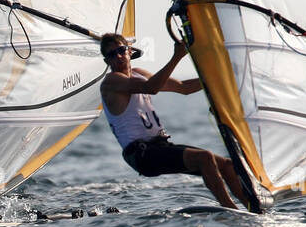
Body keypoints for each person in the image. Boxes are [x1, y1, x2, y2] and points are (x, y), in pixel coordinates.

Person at [99, 34, 251, 209]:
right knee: (205, 158)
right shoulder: (111, 82)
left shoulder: (139, 74)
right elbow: (151, 88)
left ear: (130, 51)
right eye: (112, 54)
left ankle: (251, 208)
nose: (118, 56)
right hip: (141, 155)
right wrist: (177, 56)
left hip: (160, 146)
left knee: (226, 165)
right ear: (107, 61)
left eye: (121, 50)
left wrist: (220, 78)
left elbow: (183, 87)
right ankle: (230, 210)